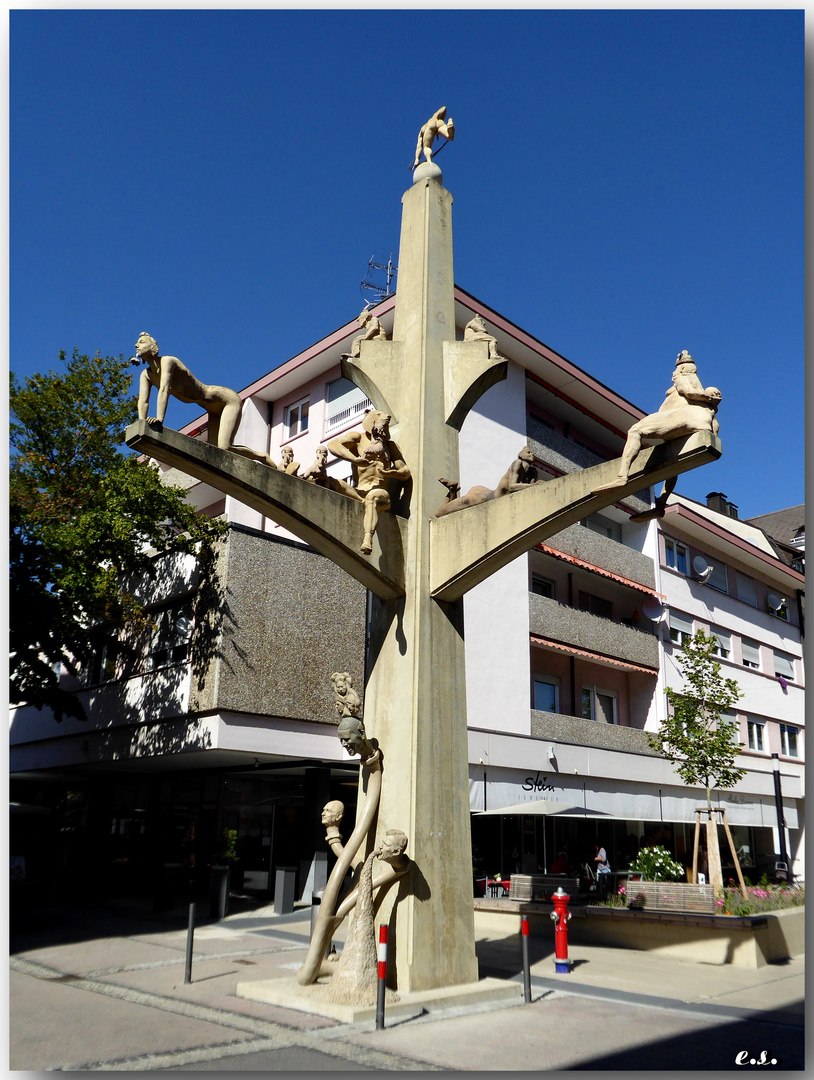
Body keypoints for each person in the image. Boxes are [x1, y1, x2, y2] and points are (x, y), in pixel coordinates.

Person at [135, 332, 277, 467]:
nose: (136, 345)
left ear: (153, 346)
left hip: (226, 400)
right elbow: (143, 400)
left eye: (141, 342)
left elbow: (164, 388)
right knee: (218, 454)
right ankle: (257, 459)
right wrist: (142, 425)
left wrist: (159, 419)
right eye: (136, 343)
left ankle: (261, 457)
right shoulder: (146, 375)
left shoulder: (168, 361)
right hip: (212, 409)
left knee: (224, 446)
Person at [593, 350, 721, 495]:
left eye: (676, 369)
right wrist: (713, 437)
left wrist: (708, 398)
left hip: (680, 418)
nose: (673, 373)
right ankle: (661, 505)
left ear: (682, 369)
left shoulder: (683, 377)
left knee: (635, 430)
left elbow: (689, 392)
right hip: (696, 424)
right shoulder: (703, 395)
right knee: (673, 463)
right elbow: (714, 423)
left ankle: (622, 476)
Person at [327, 410, 411, 554]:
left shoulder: (390, 446)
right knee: (332, 482)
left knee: (372, 497)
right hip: (359, 491)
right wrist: (354, 459)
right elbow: (333, 445)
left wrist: (394, 473)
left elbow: (405, 471)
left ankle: (367, 538)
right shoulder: (358, 438)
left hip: (380, 493)